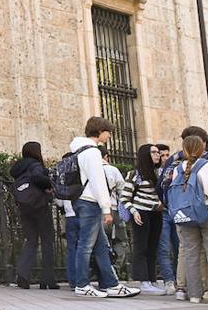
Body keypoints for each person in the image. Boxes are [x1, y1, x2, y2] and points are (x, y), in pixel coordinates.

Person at [68, 118, 140, 299]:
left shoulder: (78, 150)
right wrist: (106, 208)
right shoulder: (92, 152)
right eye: (108, 132)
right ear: (100, 130)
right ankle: (82, 284)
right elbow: (98, 181)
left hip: (81, 200)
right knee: (86, 245)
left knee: (100, 245)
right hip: (90, 201)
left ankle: (111, 284)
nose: (109, 136)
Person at [172, 135, 208, 305]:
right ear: (201, 148)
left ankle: (195, 294)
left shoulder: (178, 168)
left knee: (191, 253)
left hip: (186, 213)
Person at [157, 127, 207, 299]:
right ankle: (202, 287)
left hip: (178, 209)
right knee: (200, 249)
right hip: (199, 209)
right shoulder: (202, 160)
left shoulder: (173, 160)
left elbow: (161, 185)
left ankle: (181, 287)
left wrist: (169, 204)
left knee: (184, 248)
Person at [11, 142, 57, 290]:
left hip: (25, 207)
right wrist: (49, 184)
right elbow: (38, 178)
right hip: (40, 206)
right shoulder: (36, 165)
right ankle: (47, 279)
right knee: (47, 241)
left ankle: (22, 275)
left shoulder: (19, 168)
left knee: (31, 240)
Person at [122, 144, 166, 295]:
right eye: (153, 152)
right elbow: (125, 197)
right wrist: (134, 212)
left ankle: (152, 280)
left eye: (158, 153)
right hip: (141, 213)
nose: (157, 155)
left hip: (156, 213)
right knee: (141, 247)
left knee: (153, 247)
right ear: (145, 155)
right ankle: (144, 281)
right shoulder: (135, 174)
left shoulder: (160, 172)